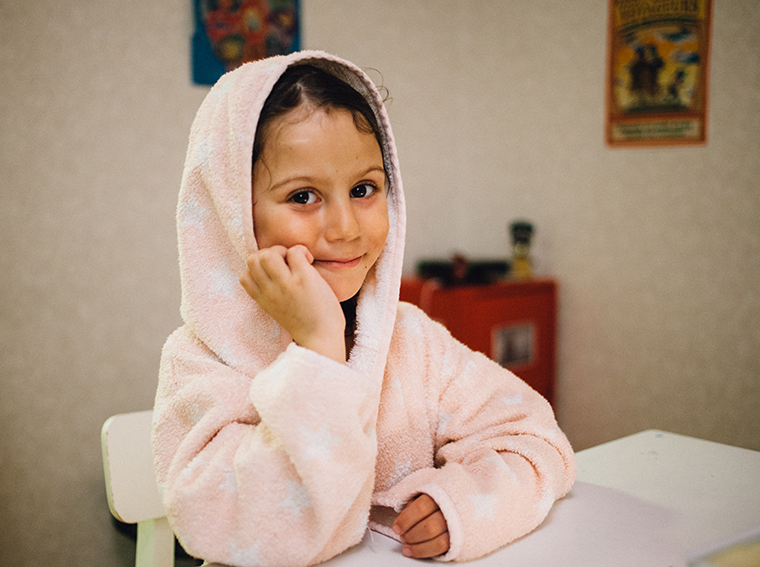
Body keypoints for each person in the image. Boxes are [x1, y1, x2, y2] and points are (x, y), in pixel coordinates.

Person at [152, 50, 575, 567]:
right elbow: (242, 529)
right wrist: (320, 350)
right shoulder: (202, 365)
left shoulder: (412, 341)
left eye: (363, 189)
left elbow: (535, 441)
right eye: (303, 196)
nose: (346, 228)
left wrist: (463, 506)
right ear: (233, 213)